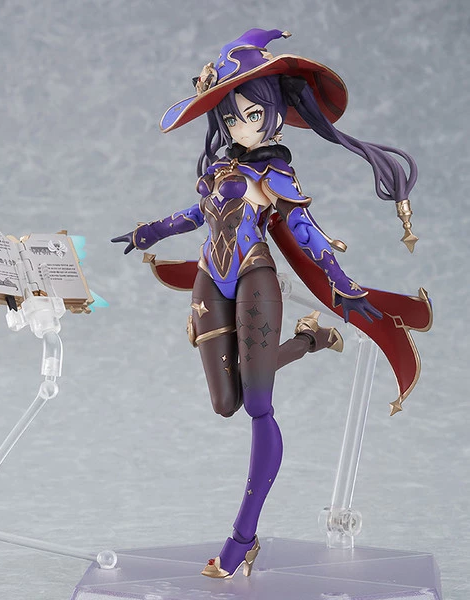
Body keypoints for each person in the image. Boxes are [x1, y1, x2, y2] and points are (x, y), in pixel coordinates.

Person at [112, 28, 431, 579]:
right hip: (211, 281)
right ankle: (310, 340)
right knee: (226, 403)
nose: (240, 126)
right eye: (231, 116)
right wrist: (151, 231)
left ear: (276, 115)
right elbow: (197, 215)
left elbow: (305, 231)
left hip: (254, 278)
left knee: (258, 406)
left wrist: (340, 280)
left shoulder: (276, 173)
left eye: (252, 114)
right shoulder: (219, 169)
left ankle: (243, 538)